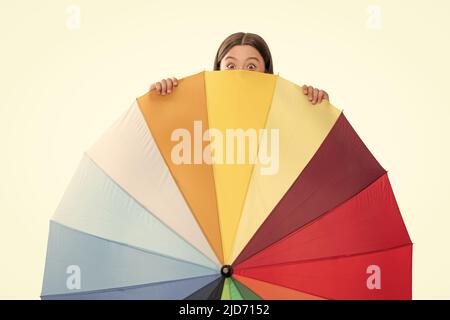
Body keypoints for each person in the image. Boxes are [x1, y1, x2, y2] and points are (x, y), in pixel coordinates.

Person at [149, 32, 330, 105]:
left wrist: (318, 112)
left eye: (251, 66)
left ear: (266, 72)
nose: (240, 74)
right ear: (218, 70)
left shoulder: (284, 113)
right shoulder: (198, 112)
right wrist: (160, 103)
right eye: (230, 66)